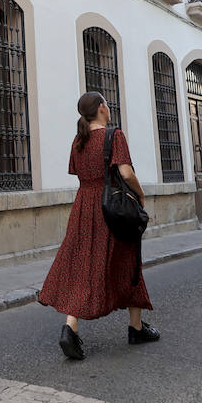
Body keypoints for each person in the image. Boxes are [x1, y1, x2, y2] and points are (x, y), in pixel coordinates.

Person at [39, 91, 158, 361]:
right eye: (107, 103)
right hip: (112, 206)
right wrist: (140, 195)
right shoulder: (113, 135)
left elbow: (79, 173)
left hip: (84, 206)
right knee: (128, 261)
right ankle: (136, 328)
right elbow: (125, 172)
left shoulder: (78, 140)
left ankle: (70, 327)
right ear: (102, 108)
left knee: (84, 263)